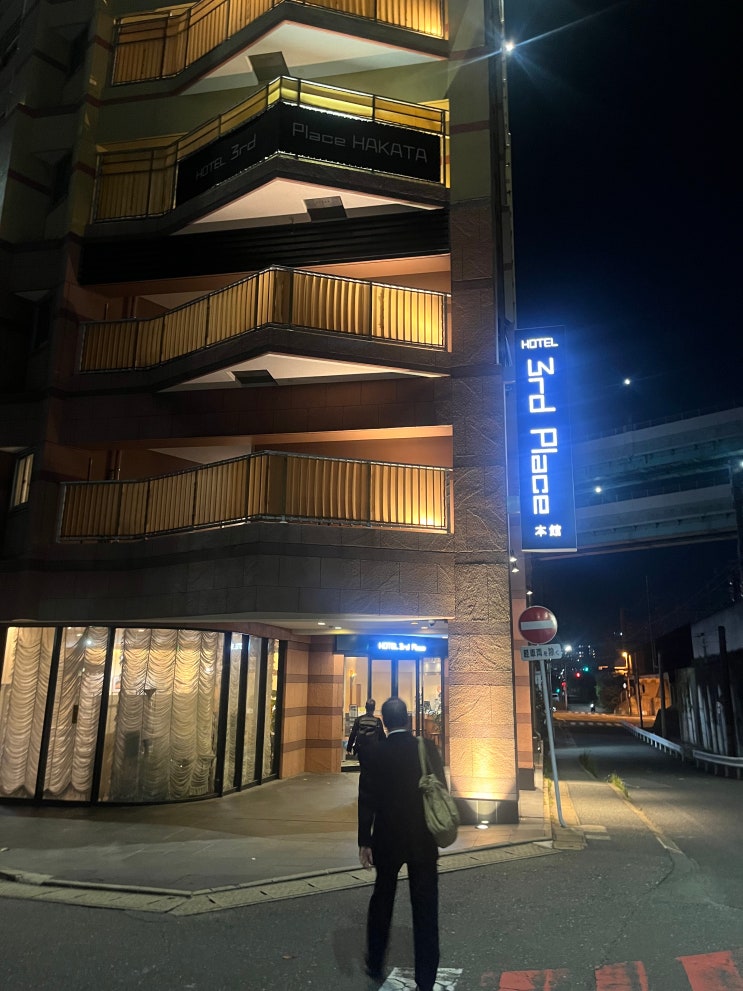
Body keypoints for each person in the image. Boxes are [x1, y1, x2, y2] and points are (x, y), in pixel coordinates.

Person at [357, 696, 448, 991]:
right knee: (425, 908)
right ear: (407, 719)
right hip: (423, 838)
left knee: (382, 899)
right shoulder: (426, 748)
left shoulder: (375, 752)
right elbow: (441, 788)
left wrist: (365, 841)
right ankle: (426, 978)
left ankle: (375, 961)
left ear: (384, 722)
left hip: (387, 838)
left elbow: (366, 799)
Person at [347, 699, 385, 765]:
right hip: (373, 749)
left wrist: (349, 748)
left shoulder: (359, 719)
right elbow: (382, 737)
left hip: (361, 749)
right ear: (374, 708)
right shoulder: (378, 721)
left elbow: (353, 734)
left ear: (365, 707)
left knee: (363, 767)